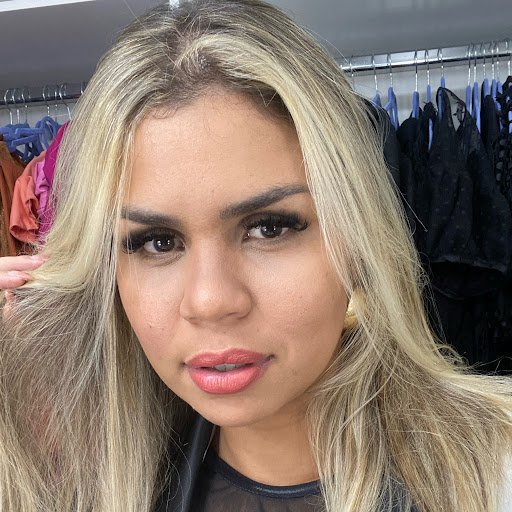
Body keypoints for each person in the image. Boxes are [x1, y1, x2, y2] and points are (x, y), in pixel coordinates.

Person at [0, 1, 511, 511]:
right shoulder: (83, 480)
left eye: (269, 228)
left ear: (356, 237)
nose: (210, 301)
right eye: (158, 242)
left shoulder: (495, 471)